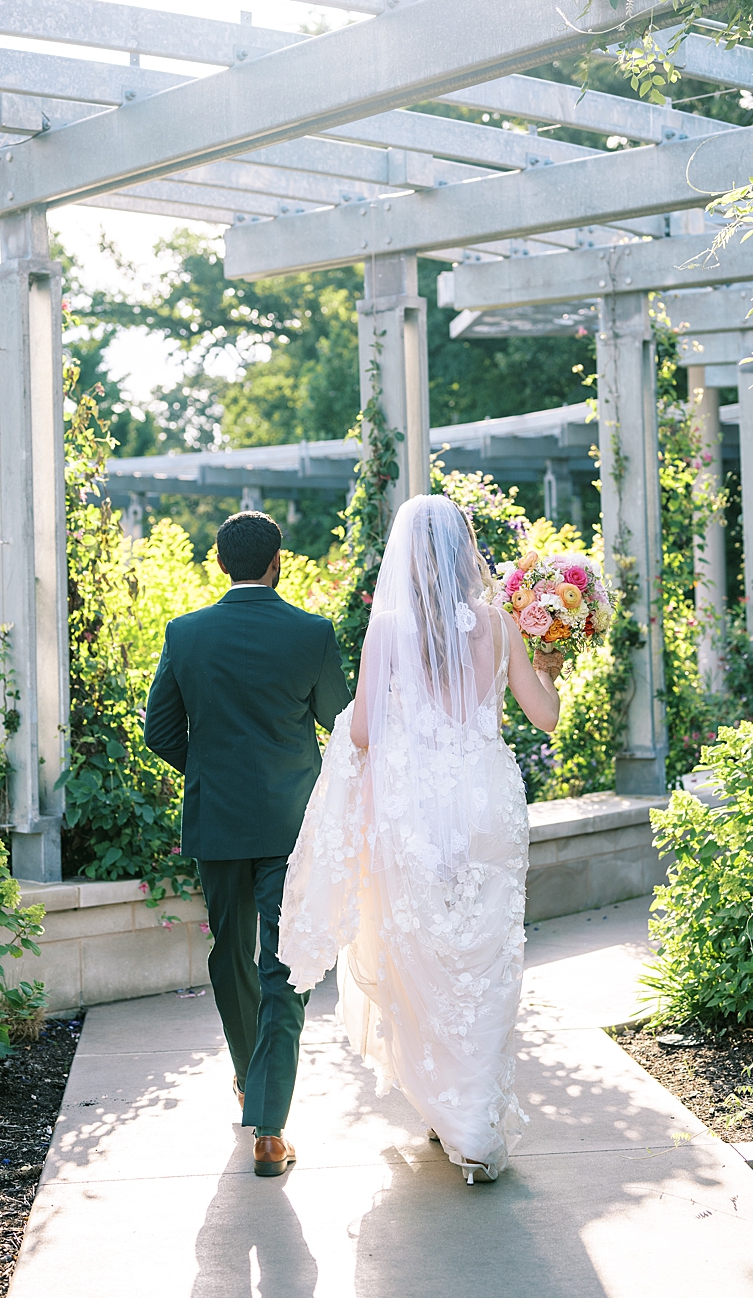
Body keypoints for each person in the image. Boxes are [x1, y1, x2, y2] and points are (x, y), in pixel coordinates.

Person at [278, 495, 563, 1184]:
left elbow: (365, 734)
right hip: (487, 807)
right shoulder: (499, 625)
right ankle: (475, 1120)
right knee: (486, 959)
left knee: (426, 955)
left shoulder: (391, 630)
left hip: (419, 815)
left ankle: (451, 1114)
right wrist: (552, 664)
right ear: (466, 549)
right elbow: (546, 718)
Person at [143, 510, 353, 1178]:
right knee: (285, 962)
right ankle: (269, 1125)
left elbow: (160, 732)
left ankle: (246, 1078)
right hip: (292, 823)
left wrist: (207, 772)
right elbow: (340, 726)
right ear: (278, 561)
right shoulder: (312, 634)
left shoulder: (185, 633)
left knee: (228, 952)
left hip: (217, 820)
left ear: (218, 560)